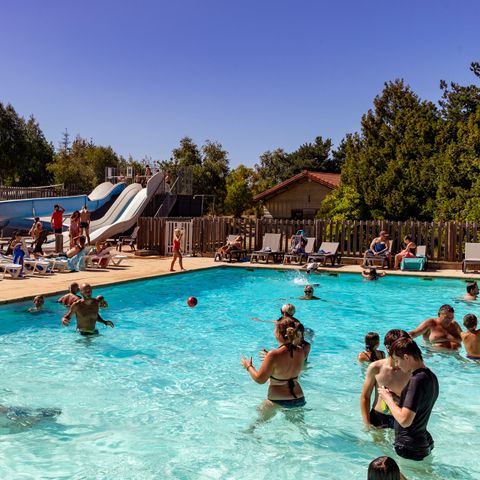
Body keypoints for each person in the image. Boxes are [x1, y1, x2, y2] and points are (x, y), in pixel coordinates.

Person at [378, 337, 439, 461]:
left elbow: (405, 421)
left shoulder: (416, 380)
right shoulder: (431, 376)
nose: (397, 365)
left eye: (397, 360)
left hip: (409, 446)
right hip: (422, 441)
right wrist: (397, 399)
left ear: (406, 357)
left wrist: (388, 399)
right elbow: (419, 407)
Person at [241, 317, 306, 422]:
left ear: (278, 333)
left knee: (255, 425)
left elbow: (260, 380)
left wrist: (248, 366)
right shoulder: (300, 351)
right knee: (301, 429)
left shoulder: (273, 354)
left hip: (278, 400)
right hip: (299, 398)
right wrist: (271, 358)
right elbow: (288, 365)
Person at [360, 330, 411, 429]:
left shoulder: (411, 369)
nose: (405, 351)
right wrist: (367, 424)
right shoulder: (375, 367)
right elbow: (365, 397)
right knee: (376, 444)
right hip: (378, 417)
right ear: (388, 348)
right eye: (402, 347)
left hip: (401, 417)